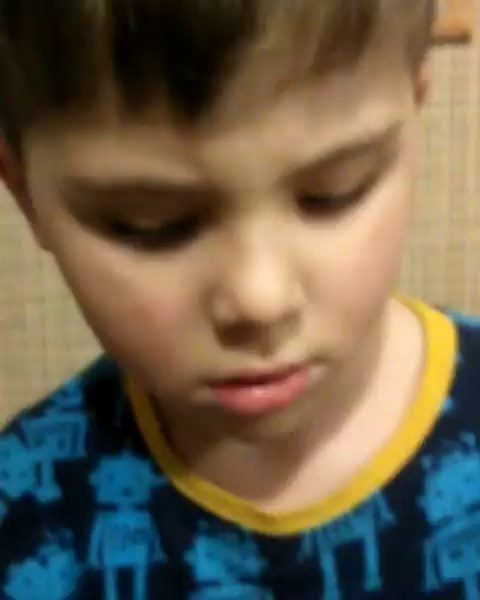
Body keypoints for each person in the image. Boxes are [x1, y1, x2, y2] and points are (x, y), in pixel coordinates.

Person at [0, 1, 478, 598]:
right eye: (151, 225)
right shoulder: (24, 509)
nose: (261, 300)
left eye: (333, 193)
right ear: (26, 197)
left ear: (416, 108)